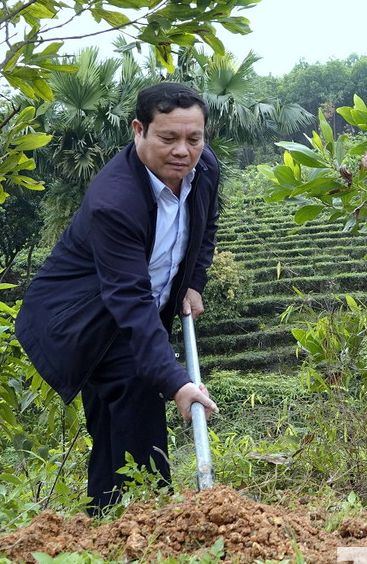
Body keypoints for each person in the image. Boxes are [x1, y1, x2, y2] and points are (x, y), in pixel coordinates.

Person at [16, 81, 221, 513]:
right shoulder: (115, 201)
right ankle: (146, 527)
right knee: (138, 406)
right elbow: (129, 303)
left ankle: (108, 528)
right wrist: (179, 383)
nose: (182, 151)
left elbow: (207, 226)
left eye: (193, 138)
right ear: (139, 131)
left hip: (136, 306)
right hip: (83, 317)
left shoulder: (203, 170)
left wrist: (194, 281)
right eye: (168, 138)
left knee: (117, 429)